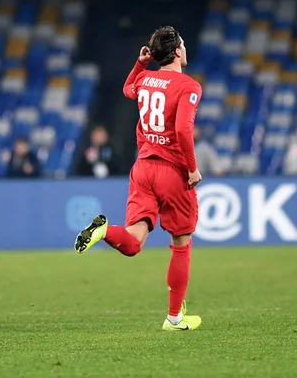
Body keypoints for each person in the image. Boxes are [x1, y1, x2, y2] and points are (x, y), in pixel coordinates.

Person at [74, 26, 203, 331]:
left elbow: (127, 90)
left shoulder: (145, 79)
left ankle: (104, 230)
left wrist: (140, 64)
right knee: (181, 243)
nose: (185, 48)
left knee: (133, 241)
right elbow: (184, 131)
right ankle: (174, 318)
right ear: (177, 52)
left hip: (143, 167)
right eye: (182, 44)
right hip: (172, 171)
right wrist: (192, 168)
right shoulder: (189, 86)